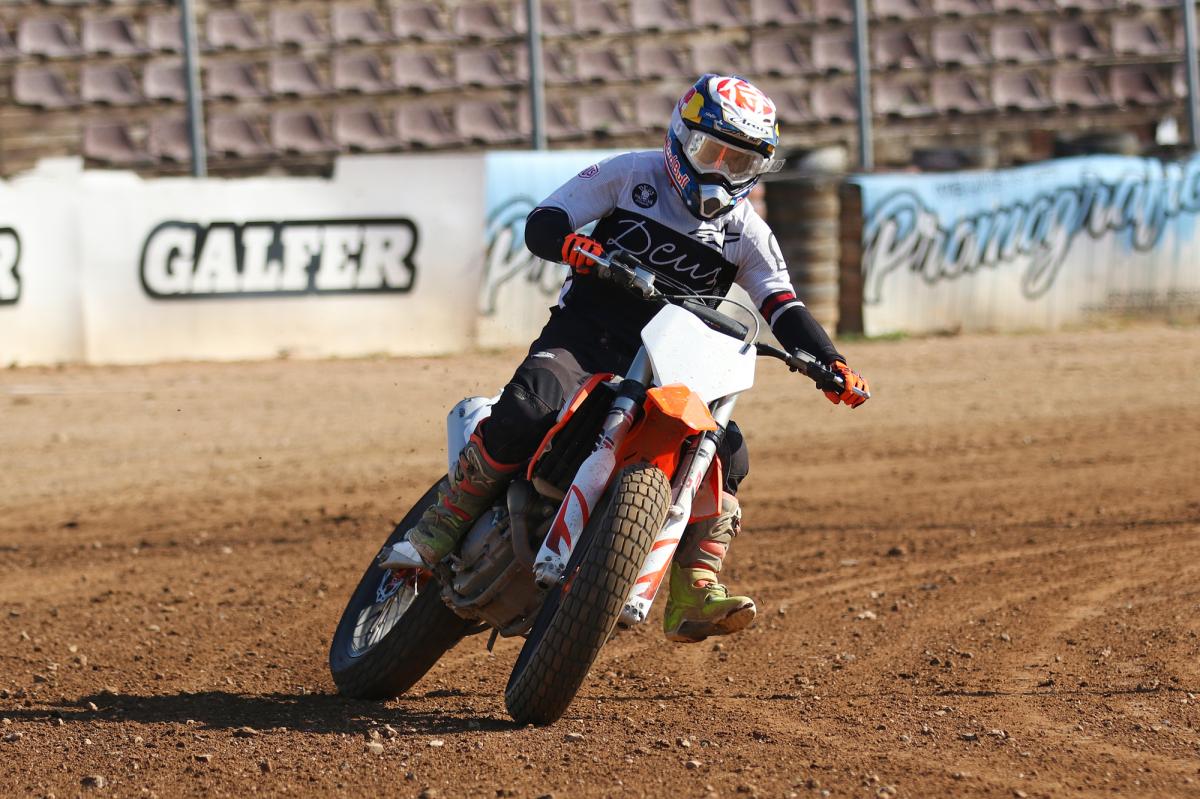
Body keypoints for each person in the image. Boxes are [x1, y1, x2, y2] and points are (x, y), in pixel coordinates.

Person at [382, 74, 870, 643]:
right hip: (587, 334)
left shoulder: (747, 233)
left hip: (673, 361)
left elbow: (782, 305)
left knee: (728, 453)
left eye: (738, 163)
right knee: (530, 403)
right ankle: (441, 524)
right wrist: (572, 244)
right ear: (681, 139)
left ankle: (694, 586)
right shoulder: (631, 174)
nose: (720, 172)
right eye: (711, 153)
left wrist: (830, 362)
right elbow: (545, 221)